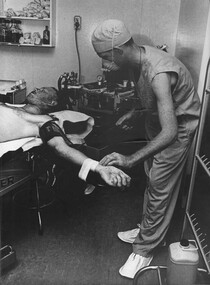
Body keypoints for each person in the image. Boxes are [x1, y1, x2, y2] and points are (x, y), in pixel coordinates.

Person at [91, 19, 201, 278]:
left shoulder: (159, 71)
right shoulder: (135, 60)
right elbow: (147, 95)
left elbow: (171, 131)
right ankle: (147, 230)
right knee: (153, 180)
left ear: (118, 50)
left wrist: (130, 159)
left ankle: (144, 249)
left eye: (105, 58)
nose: (104, 66)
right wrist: (135, 112)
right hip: (159, 125)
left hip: (175, 132)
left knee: (160, 187)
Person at [0, 86, 131, 189]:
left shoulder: (44, 121)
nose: (36, 89)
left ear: (52, 102)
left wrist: (98, 167)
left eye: (43, 91)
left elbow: (60, 147)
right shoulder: (11, 105)